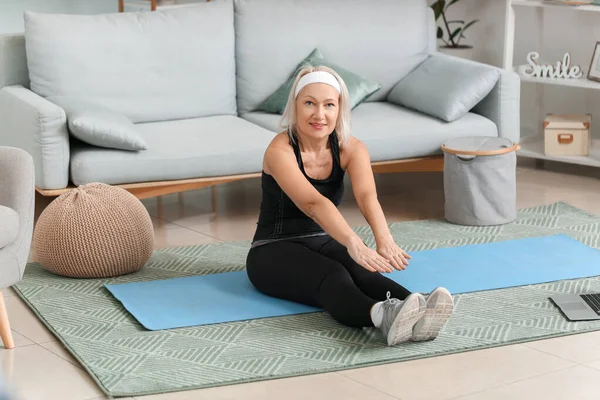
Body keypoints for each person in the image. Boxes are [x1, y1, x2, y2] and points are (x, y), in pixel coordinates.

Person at [246, 65, 454, 346]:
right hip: (270, 251)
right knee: (334, 274)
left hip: (320, 241)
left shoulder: (351, 148)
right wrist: (354, 242)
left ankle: (415, 307)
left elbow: (367, 196)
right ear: (295, 107)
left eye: (329, 105)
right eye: (309, 103)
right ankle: (382, 316)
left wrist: (384, 239)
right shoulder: (280, 150)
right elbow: (313, 203)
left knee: (362, 271)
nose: (319, 115)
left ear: (339, 109)